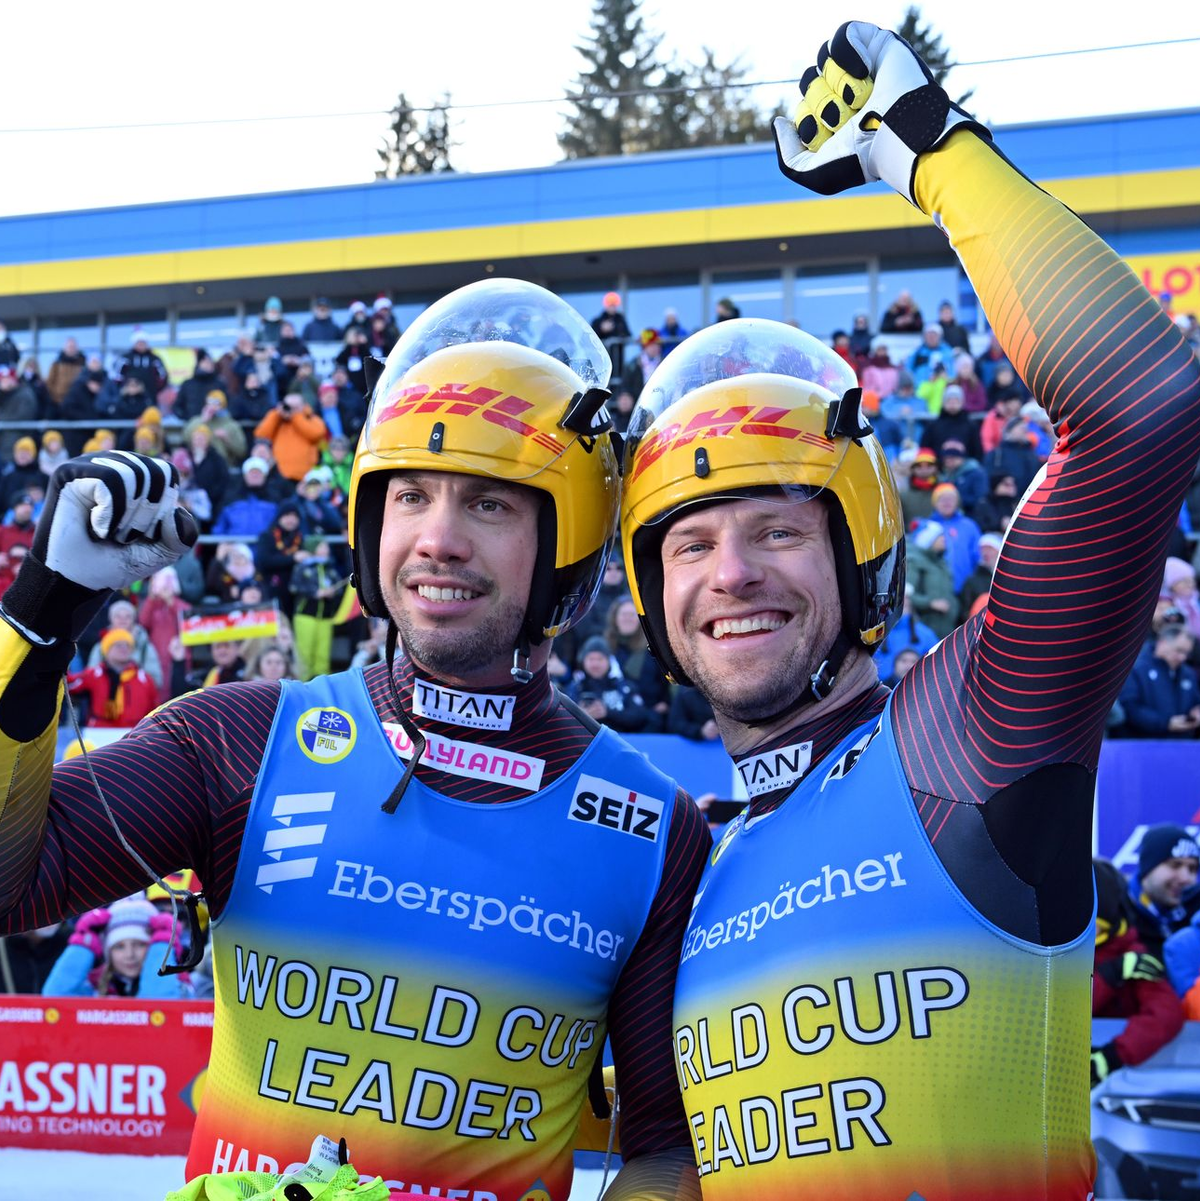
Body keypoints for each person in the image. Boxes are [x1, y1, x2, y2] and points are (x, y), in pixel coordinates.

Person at [619, 21, 1200, 1197]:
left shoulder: (967, 731)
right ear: (650, 593)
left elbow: (1142, 408)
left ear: (866, 558)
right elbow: (670, 1169)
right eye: (690, 542)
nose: (731, 572)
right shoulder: (690, 866)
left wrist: (924, 145)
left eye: (779, 528)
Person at [0, 278, 709, 1199]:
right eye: (410, 493)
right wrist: (37, 620)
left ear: (567, 541)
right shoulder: (242, 737)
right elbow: (10, 885)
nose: (437, 539)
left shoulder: (654, 828)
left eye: (490, 503)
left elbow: (666, 1149)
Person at [1091, 860, 1183, 1087]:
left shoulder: (1133, 954)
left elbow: (1167, 1014)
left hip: (1116, 1086)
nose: (1084, 937)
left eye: (1094, 927)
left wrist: (1114, 1055)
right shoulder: (1049, 956)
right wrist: (1110, 975)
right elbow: (1053, 1010)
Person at [42, 895, 186, 999]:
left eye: (140, 944)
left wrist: (163, 946)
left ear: (153, 945)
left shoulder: (179, 983)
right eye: (119, 947)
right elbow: (54, 1000)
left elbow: (160, 1007)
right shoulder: (93, 987)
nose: (130, 955)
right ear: (108, 951)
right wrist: (83, 944)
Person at [67, 627, 161, 728]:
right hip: (100, 732)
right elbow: (68, 685)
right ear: (107, 650)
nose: (124, 648)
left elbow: (154, 712)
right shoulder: (94, 675)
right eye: (118, 645)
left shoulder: (144, 679)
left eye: (127, 645)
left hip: (135, 732)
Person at [1118, 625, 1200, 738]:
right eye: (1179, 650)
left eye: (1187, 653)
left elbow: (1196, 701)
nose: (1182, 657)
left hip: (1182, 743)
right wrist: (1166, 723)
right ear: (1162, 643)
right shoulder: (1135, 668)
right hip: (1143, 743)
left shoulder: (1188, 673)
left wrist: (1196, 712)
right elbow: (1130, 707)